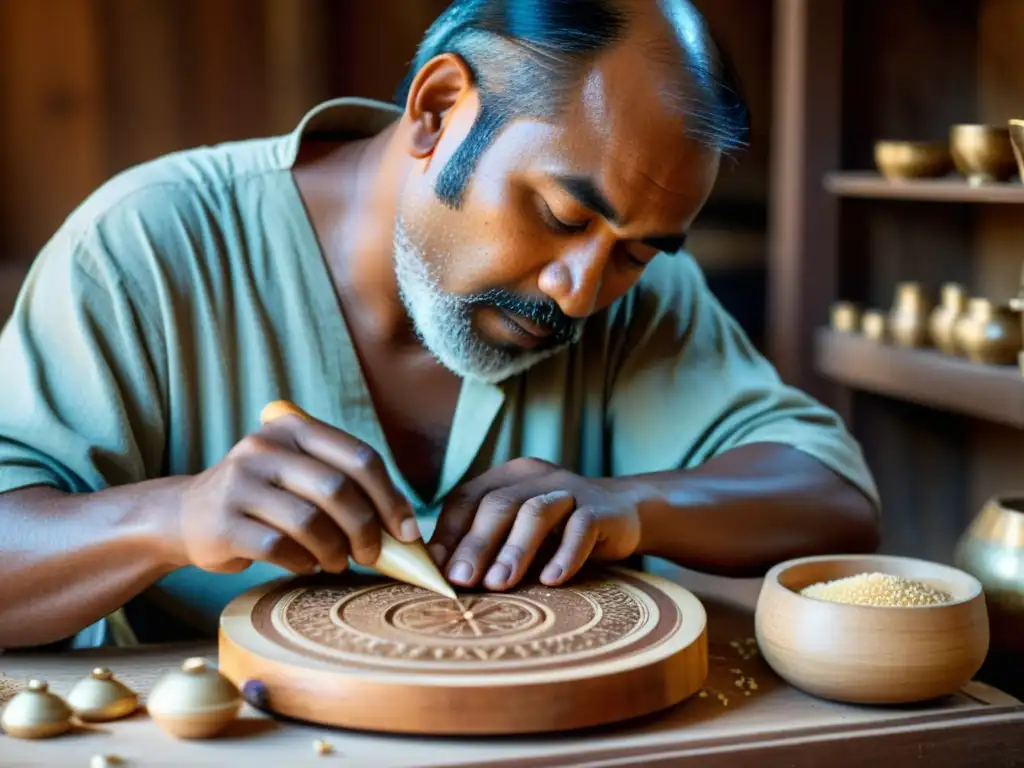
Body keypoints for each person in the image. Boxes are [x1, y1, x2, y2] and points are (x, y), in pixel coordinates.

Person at [0, 0, 880, 650]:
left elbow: (833, 501)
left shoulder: (639, 292)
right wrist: (173, 517)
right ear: (436, 111)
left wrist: (632, 507)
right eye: (562, 215)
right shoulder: (147, 245)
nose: (581, 293)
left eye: (638, 252)